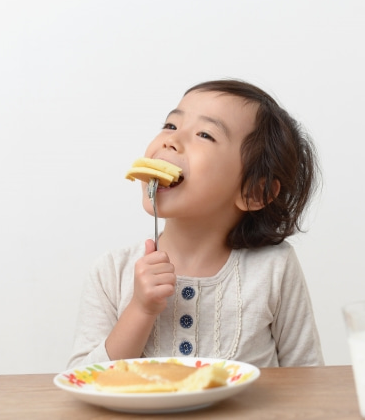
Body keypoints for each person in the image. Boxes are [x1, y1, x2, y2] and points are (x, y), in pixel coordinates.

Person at [68, 79, 323, 368]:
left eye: (204, 134)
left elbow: (307, 376)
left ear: (253, 192)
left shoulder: (273, 268)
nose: (170, 140)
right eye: (171, 125)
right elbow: (83, 378)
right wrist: (140, 310)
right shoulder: (112, 273)